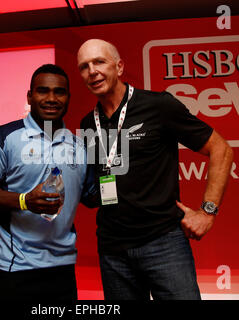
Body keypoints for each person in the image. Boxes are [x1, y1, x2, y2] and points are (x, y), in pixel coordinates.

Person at [77, 39, 234, 300]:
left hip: (164, 243)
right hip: (113, 249)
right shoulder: (88, 123)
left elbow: (221, 149)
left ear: (119, 67)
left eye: (99, 62)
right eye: (84, 66)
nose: (92, 71)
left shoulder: (158, 105)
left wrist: (207, 212)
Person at [0, 64, 93, 301]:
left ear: (68, 97)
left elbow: (94, 197)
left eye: (59, 92)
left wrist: (119, 167)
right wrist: (24, 200)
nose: (51, 98)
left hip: (63, 270)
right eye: (43, 91)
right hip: (15, 269)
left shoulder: (81, 146)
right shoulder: (4, 137)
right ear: (30, 96)